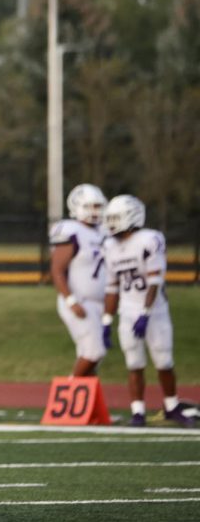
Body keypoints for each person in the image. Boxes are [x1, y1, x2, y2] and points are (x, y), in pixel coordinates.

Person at [101, 194, 195, 428]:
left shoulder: (149, 239)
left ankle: (171, 406)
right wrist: (106, 320)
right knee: (134, 363)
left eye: (116, 218)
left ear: (131, 217)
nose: (111, 223)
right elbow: (112, 287)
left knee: (164, 361)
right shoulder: (110, 246)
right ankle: (138, 412)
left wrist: (145, 313)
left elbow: (155, 282)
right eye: (109, 218)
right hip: (127, 310)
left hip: (155, 311)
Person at [49, 183, 109, 378]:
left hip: (98, 303)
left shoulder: (104, 231)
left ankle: (87, 407)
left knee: (91, 357)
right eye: (90, 206)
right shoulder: (70, 230)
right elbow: (57, 270)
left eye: (98, 206)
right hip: (78, 300)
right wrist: (71, 300)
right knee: (94, 353)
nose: (94, 211)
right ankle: (70, 390)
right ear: (76, 206)